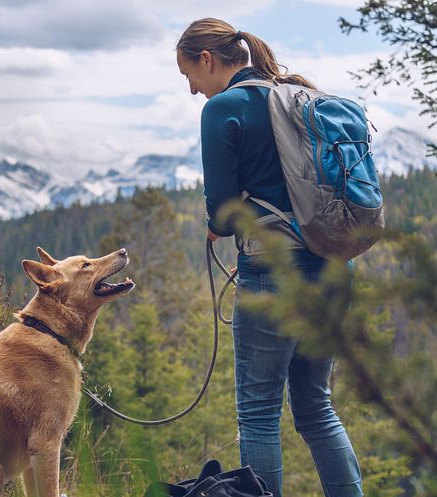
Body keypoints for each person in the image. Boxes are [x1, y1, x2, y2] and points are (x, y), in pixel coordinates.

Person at [176, 18, 363, 497]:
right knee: (316, 407)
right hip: (335, 266)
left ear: (208, 60)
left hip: (271, 274)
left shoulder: (224, 108)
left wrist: (218, 228)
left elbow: (221, 209)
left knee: (258, 412)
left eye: (189, 77)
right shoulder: (300, 96)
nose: (194, 90)